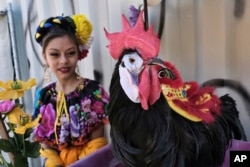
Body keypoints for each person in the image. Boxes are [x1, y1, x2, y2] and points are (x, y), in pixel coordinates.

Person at [32, 14, 109, 167]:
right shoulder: (43, 97)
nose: (63, 61)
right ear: (45, 57)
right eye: (54, 54)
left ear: (79, 53)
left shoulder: (93, 93)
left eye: (70, 53)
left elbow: (97, 146)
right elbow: (46, 147)